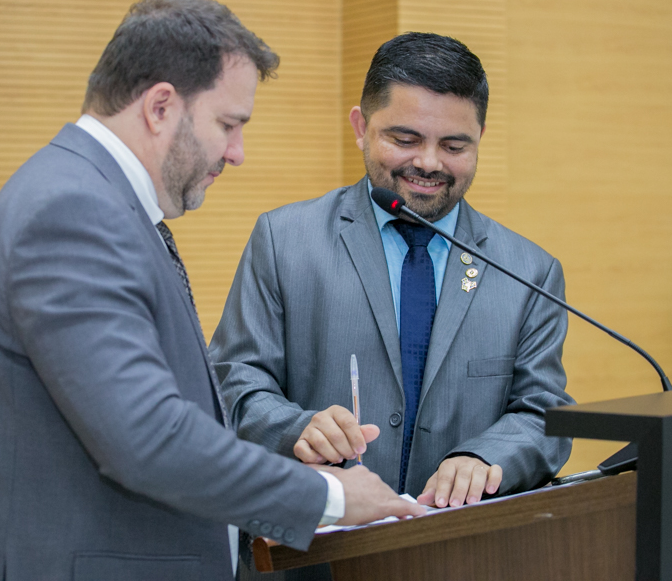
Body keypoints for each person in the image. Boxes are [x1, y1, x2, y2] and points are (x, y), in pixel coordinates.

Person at [0, 0, 422, 581]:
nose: (236, 154)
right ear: (161, 106)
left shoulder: (96, 199)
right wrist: (332, 497)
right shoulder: (71, 212)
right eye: (228, 125)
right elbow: (147, 438)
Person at [212, 33, 574, 514]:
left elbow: (544, 414)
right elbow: (232, 382)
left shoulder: (529, 272)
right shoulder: (284, 240)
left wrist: (484, 455)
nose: (428, 162)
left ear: (480, 139)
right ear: (361, 127)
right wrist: (295, 427)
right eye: (405, 139)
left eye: (453, 145)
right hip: (316, 552)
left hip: (459, 549)